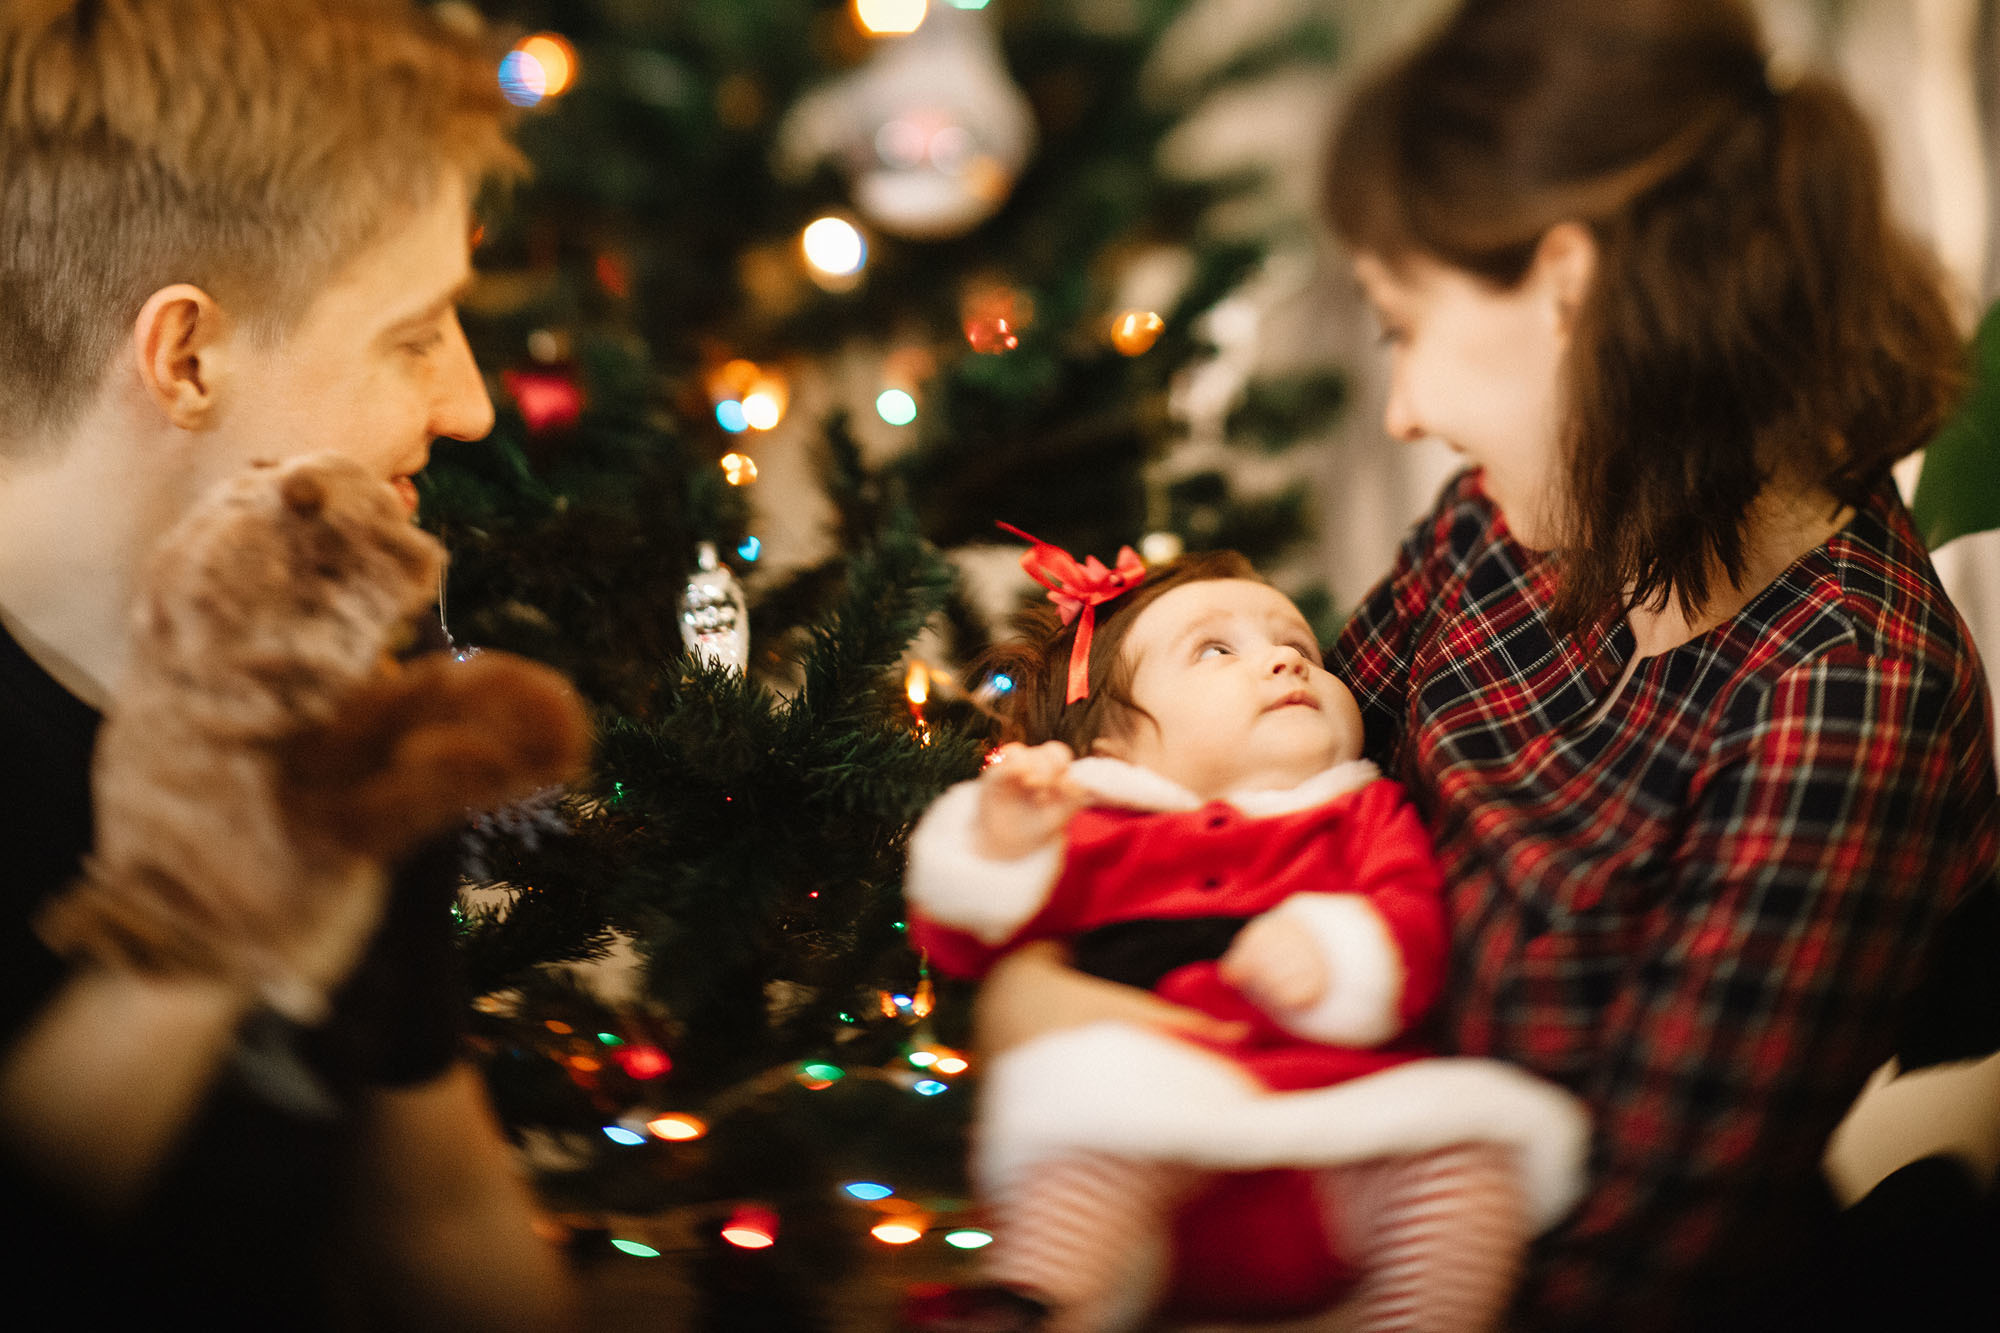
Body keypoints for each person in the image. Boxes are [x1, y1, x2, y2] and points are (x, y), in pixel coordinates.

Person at [970, 1, 2000, 1329]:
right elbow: (1252, 802)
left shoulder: (1841, 692)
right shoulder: (1497, 532)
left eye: (1404, 322)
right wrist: (1030, 985)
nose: (1402, 406)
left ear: (1568, 292)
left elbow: (1634, 1256)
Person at [0, 2, 578, 1328]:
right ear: (187, 356)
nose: (474, 406)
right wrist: (216, 920)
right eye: (415, 333)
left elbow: (437, 1217)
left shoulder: (334, 705)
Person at [904, 537, 1587, 1333]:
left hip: (1339, 1138)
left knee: (1472, 1167)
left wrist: (1337, 951)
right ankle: (1046, 1304)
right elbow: (964, 937)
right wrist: (1004, 842)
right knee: (1074, 1163)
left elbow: (1412, 923)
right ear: (1114, 742)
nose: (1284, 663)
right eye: (1216, 649)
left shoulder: (1363, 811)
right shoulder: (1092, 825)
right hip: (1140, 1133)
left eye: (1298, 645)